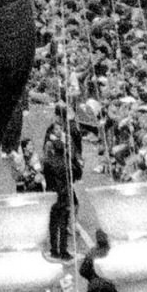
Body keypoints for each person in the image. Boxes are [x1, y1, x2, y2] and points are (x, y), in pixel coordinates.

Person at [42, 103, 84, 260]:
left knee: (54, 221)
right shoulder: (65, 163)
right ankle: (64, 251)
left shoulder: (48, 161)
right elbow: (75, 169)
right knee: (62, 220)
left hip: (53, 192)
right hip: (63, 192)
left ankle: (55, 250)